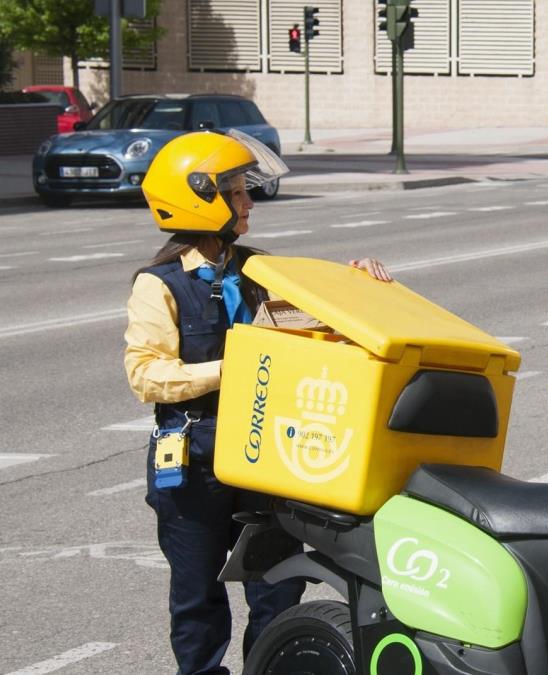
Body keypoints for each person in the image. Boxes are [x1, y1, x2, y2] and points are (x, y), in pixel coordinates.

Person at [123, 130, 391, 675]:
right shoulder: (160, 285)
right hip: (195, 457)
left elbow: (328, 324)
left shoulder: (259, 271)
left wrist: (362, 283)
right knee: (197, 594)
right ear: (199, 195)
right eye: (237, 192)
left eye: (247, 190)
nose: (249, 202)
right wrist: (231, 368)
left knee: (279, 583)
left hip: (266, 453)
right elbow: (146, 374)